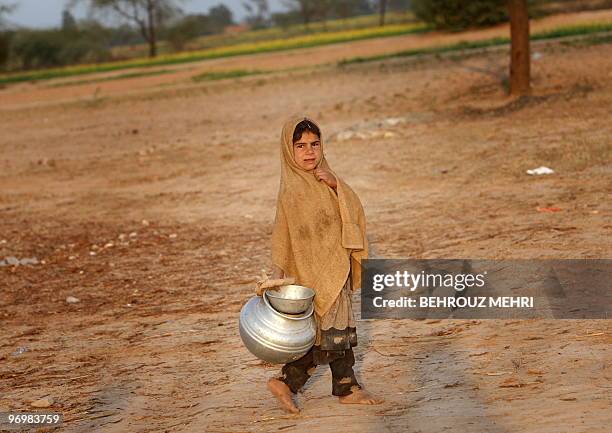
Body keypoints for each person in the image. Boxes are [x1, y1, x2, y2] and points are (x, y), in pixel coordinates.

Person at [262, 116, 383, 413]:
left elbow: (354, 208)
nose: (309, 152)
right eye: (300, 146)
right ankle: (343, 386)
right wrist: (277, 275)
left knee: (328, 333)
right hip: (311, 274)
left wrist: (337, 185)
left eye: (314, 144)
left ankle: (292, 382)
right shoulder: (291, 190)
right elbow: (283, 234)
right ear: (288, 151)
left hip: (335, 267)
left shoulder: (326, 178)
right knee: (331, 332)